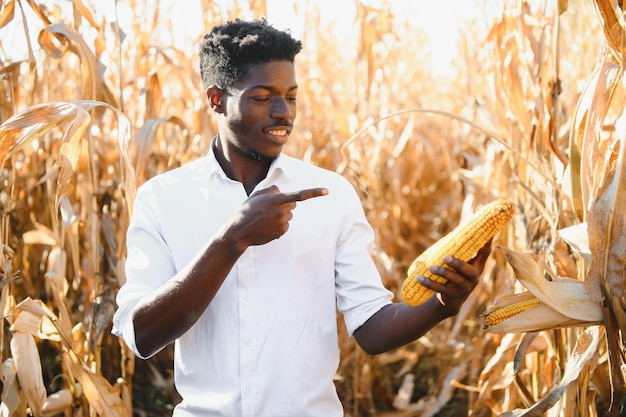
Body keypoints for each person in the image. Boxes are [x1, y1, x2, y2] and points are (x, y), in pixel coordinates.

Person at [112, 18, 491, 417]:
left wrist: (443, 304)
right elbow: (143, 335)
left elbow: (371, 329)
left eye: (291, 97)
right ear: (216, 99)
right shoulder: (163, 198)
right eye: (262, 97)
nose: (283, 113)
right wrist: (232, 240)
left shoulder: (331, 195)